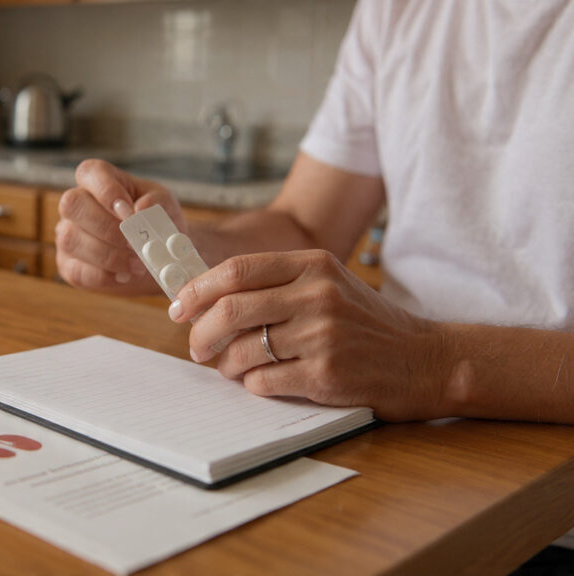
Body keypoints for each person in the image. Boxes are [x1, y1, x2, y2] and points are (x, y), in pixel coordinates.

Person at [57, 1, 574, 567]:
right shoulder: (397, 11)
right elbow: (306, 225)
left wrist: (432, 363)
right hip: (393, 453)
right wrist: (182, 252)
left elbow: (420, 360)